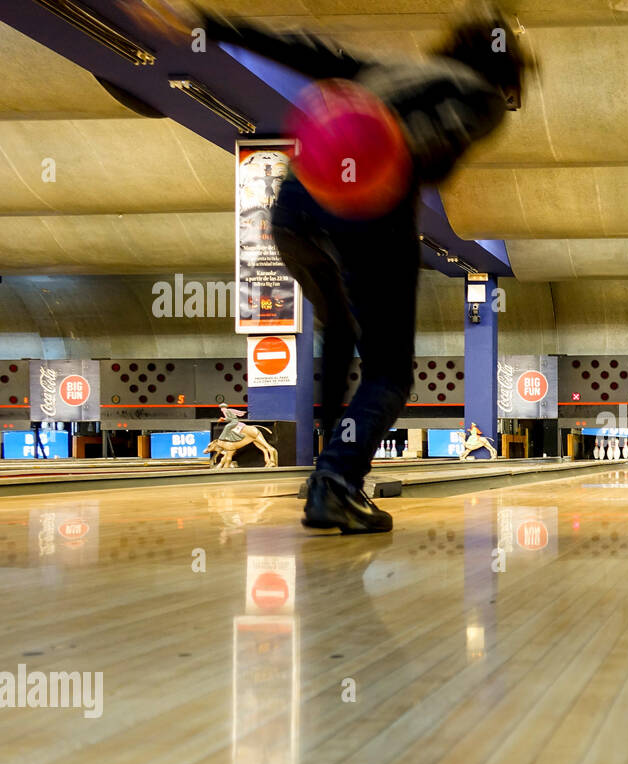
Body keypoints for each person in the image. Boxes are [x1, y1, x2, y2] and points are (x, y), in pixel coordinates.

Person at [129, 1, 529, 532]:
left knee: (338, 327)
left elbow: (310, 52)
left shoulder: (393, 70)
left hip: (294, 203)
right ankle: (335, 482)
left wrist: (207, 23)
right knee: (388, 372)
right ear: (502, 76)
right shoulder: (481, 100)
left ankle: (326, 469)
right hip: (367, 210)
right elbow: (420, 150)